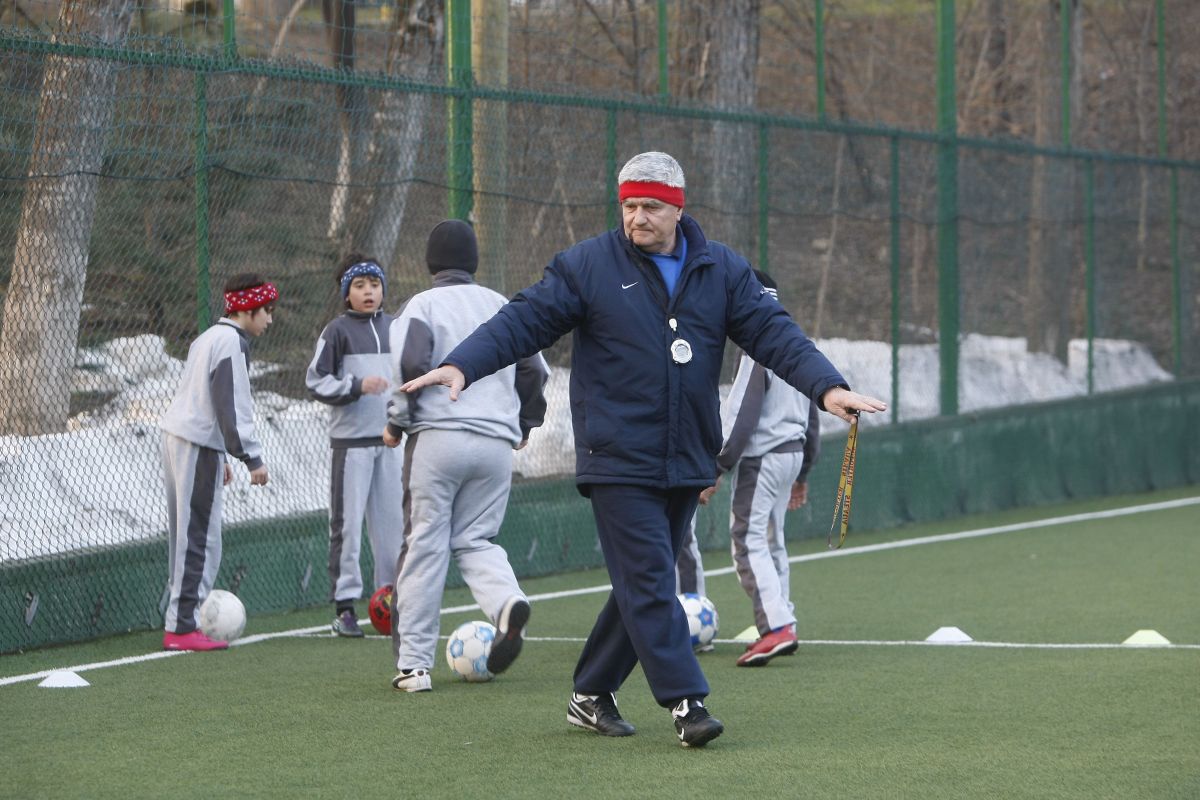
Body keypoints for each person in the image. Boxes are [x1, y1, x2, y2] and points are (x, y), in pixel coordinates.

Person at [399, 152, 886, 746]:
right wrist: (461, 365)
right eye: (628, 206)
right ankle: (686, 702)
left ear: (678, 209)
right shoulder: (588, 266)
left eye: (650, 207)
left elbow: (775, 333)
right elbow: (522, 320)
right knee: (653, 578)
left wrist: (828, 387)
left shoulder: (723, 271)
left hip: (686, 456)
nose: (637, 218)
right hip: (617, 456)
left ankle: (590, 692)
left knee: (640, 581)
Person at [384, 219, 550, 693]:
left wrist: (396, 421)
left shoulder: (422, 304)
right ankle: (506, 605)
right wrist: (524, 423)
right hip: (494, 442)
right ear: (474, 261)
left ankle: (414, 666)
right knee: (477, 539)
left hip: (439, 436)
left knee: (426, 543)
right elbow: (534, 370)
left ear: (430, 262)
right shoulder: (500, 303)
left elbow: (409, 367)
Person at [696, 269, 821, 667]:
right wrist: (803, 472)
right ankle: (783, 617)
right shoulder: (797, 342)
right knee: (773, 539)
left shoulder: (757, 346)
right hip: (792, 452)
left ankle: (776, 627)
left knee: (747, 541)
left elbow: (742, 413)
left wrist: (716, 466)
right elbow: (816, 410)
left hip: (762, 456)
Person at [159, 273, 276, 652]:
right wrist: (250, 457)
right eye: (267, 311)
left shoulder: (209, 336)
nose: (270, 320)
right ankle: (182, 627)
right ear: (248, 310)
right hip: (195, 443)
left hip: (185, 439)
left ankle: (181, 619)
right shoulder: (230, 343)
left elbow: (203, 398)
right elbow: (231, 404)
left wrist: (220, 453)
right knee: (201, 539)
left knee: (188, 533)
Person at [305, 253, 405, 638]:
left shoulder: (397, 327)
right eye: (360, 286)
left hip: (391, 441)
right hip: (351, 445)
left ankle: (389, 603)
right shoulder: (336, 332)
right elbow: (317, 381)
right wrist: (355, 386)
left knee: (393, 527)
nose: (368, 292)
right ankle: (345, 609)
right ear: (347, 294)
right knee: (347, 527)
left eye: (374, 285)